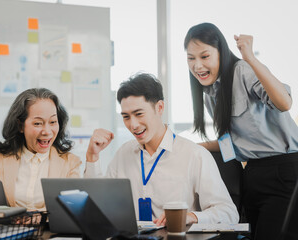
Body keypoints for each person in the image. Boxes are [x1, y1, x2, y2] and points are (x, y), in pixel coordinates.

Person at [184, 22, 298, 240]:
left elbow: (284, 103)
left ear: (222, 52)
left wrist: (251, 59)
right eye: (191, 58)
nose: (197, 65)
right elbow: (232, 143)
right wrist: (193, 147)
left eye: (204, 56)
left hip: (283, 172)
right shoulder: (211, 93)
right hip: (251, 174)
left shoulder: (243, 70)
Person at [84, 73, 239, 225]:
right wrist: (92, 157)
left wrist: (191, 216)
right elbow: (97, 207)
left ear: (159, 108)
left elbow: (228, 213)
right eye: (126, 117)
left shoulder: (195, 155)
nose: (133, 125)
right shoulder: (123, 154)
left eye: (139, 114)